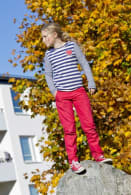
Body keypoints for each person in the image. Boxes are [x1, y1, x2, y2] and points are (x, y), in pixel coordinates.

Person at [42, 23, 112, 173]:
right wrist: (55, 92)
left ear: (54, 34)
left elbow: (85, 64)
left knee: (89, 125)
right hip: (63, 96)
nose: (43, 40)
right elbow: (48, 75)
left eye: (45, 36)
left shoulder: (72, 47)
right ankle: (73, 161)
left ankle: (98, 155)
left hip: (79, 92)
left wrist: (91, 82)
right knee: (69, 130)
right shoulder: (49, 55)